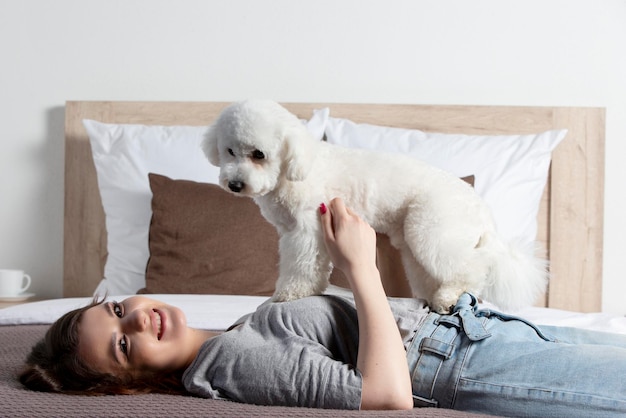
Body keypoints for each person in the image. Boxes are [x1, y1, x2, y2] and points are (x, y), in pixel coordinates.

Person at [19, 198, 626, 416]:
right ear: (130, 386)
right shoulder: (229, 363)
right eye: (124, 343)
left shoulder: (236, 333)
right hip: (459, 363)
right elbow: (385, 396)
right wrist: (360, 265)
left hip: (475, 333)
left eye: (120, 307)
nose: (138, 319)